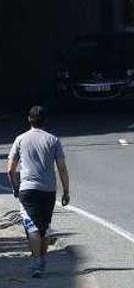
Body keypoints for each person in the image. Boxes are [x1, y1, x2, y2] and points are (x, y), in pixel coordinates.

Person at [6, 105, 70, 278]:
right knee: (43, 228)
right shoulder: (53, 140)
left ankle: (37, 263)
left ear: (29, 119)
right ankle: (42, 260)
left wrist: (15, 187)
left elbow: (10, 168)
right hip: (48, 190)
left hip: (27, 190)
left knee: (32, 228)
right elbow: (62, 167)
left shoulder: (20, 139)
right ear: (45, 121)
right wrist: (66, 191)